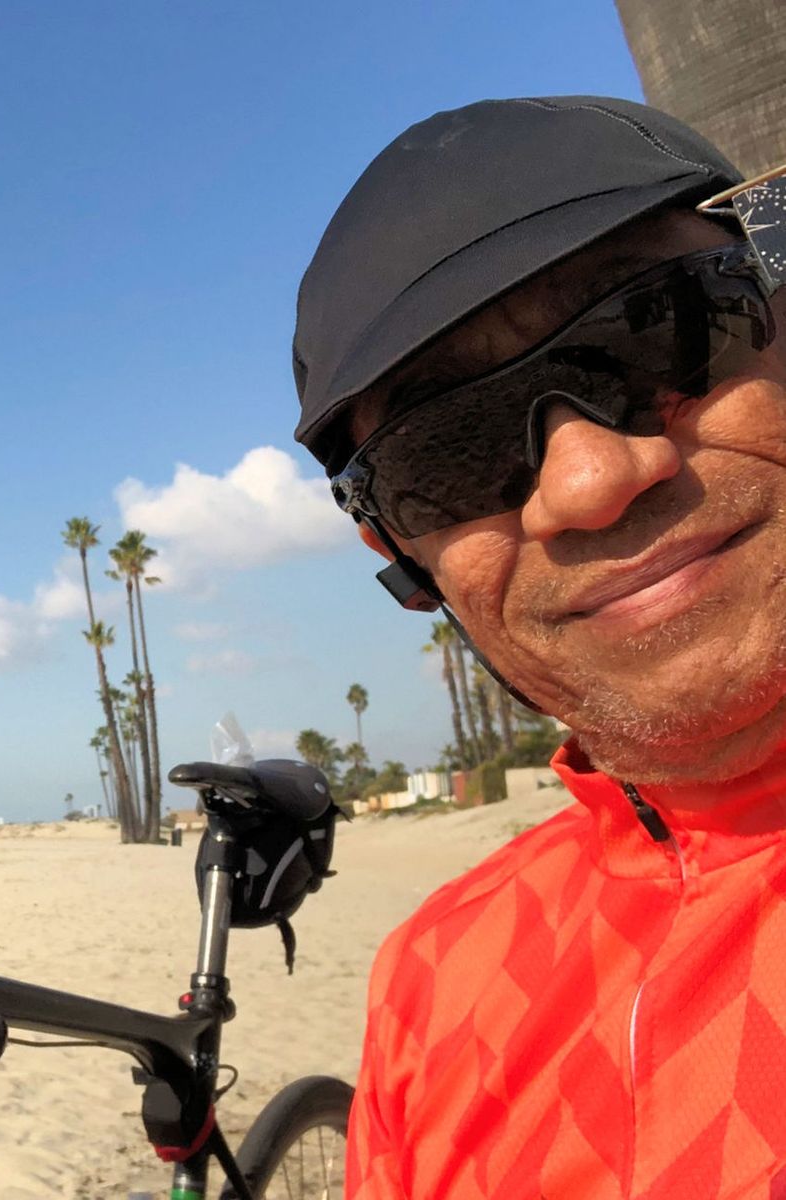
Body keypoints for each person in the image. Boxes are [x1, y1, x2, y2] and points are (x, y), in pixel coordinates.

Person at [291, 95, 786, 1198]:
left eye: (661, 329)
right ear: (403, 560)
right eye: (451, 448)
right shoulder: (430, 982)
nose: (590, 481)